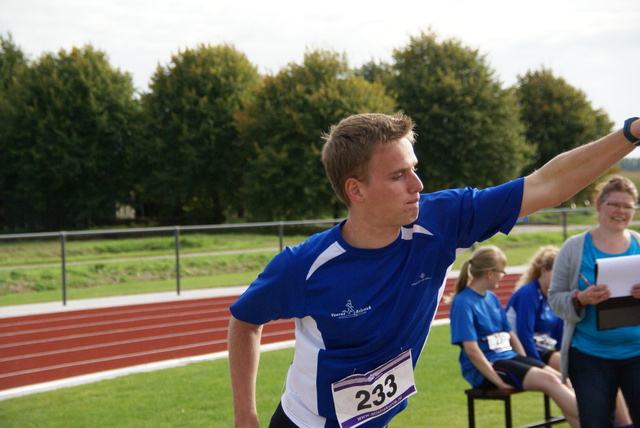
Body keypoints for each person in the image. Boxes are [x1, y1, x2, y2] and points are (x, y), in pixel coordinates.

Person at [228, 113, 640, 428]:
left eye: (414, 167)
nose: (418, 184)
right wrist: (245, 416)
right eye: (398, 175)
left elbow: (547, 184)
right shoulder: (305, 266)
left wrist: (630, 133)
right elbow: (245, 320)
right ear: (356, 190)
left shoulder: (440, 221)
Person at [449, 245, 579, 427]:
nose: (504, 275)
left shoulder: (491, 298)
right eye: (502, 271)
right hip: (488, 368)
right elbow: (472, 351)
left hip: (507, 358)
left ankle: (592, 419)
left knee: (559, 378)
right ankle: (599, 418)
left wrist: (525, 363)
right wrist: (498, 382)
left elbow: (510, 334)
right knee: (550, 381)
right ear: (489, 273)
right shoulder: (463, 303)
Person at [549, 174, 640, 428]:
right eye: (614, 204)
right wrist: (581, 298)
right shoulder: (574, 248)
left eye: (627, 206)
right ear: (599, 205)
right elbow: (555, 298)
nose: (621, 211)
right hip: (590, 356)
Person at [505, 245, 563, 369]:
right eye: (557, 272)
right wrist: (541, 367)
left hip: (541, 350)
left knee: (579, 363)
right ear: (543, 272)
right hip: (517, 352)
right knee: (566, 366)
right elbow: (524, 336)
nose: (561, 277)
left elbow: (559, 334)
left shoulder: (554, 295)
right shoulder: (528, 293)